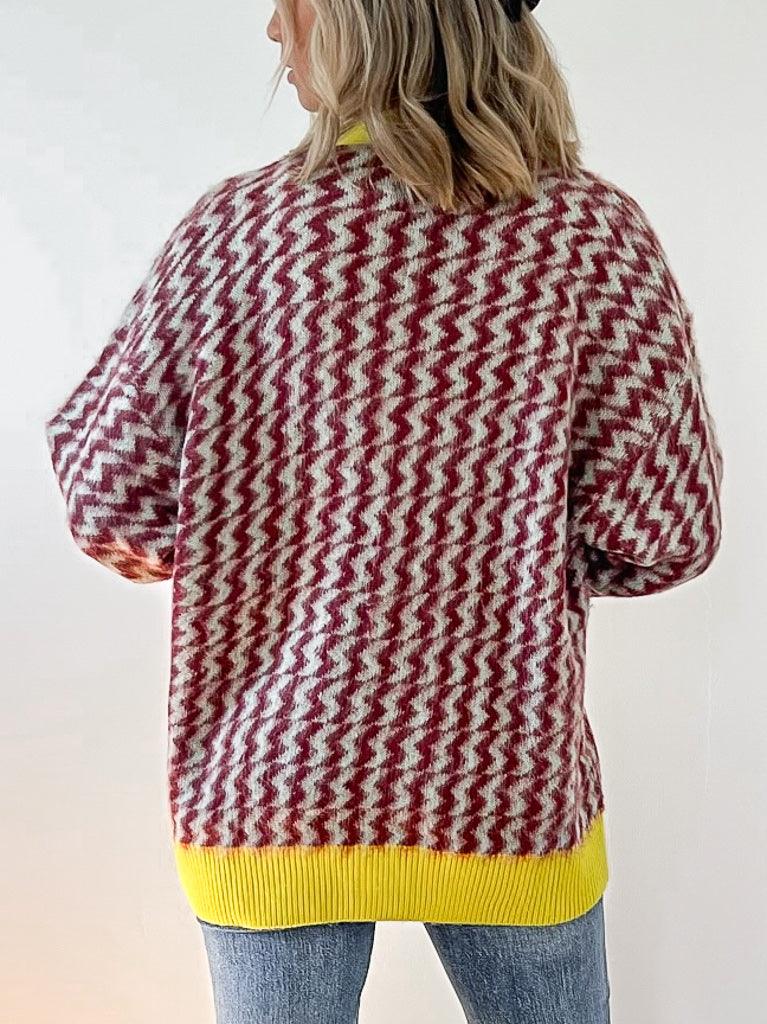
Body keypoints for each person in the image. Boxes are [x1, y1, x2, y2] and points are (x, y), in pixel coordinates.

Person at [43, 0, 724, 1021]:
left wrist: (264, 520)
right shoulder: (588, 237)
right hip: (505, 783)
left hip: (270, 787)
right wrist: (496, 542)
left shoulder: (232, 236)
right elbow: (664, 532)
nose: (271, 28)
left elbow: (110, 503)